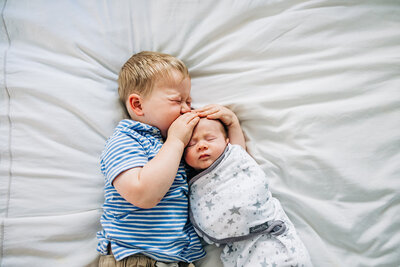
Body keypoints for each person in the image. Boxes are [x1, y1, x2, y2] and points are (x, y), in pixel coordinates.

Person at [97, 51, 208, 267]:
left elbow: (228, 172)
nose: (187, 110)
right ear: (138, 105)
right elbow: (142, 195)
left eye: (189, 101)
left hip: (180, 259)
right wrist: (175, 141)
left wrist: (230, 124)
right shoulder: (125, 140)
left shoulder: (180, 146)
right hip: (135, 256)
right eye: (177, 101)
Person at [184, 117, 313, 267]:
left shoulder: (235, 160)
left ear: (227, 142)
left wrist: (232, 122)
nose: (201, 146)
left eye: (210, 138)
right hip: (241, 253)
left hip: (272, 239)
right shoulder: (193, 184)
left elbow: (240, 151)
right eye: (191, 144)